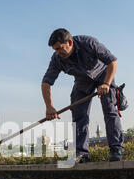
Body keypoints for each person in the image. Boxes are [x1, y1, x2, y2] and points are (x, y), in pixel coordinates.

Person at [41, 28, 124, 162]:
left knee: (110, 110)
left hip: (103, 74)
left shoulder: (88, 43)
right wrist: (49, 106)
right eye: (55, 50)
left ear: (69, 42)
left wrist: (107, 84)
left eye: (60, 48)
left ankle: (116, 149)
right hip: (82, 81)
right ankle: (82, 154)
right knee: (79, 116)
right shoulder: (57, 59)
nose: (58, 53)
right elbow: (46, 83)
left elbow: (112, 62)